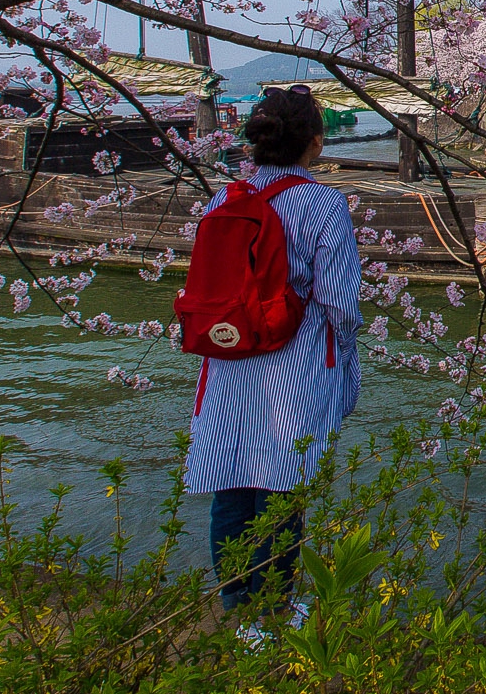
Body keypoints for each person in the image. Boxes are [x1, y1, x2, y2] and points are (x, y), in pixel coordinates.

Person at [185, 86, 361, 617]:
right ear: (315, 142)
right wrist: (347, 367)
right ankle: (274, 610)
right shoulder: (324, 204)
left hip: (228, 361)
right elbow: (341, 304)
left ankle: (238, 607)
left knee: (231, 487)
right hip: (293, 366)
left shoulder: (224, 199)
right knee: (281, 490)